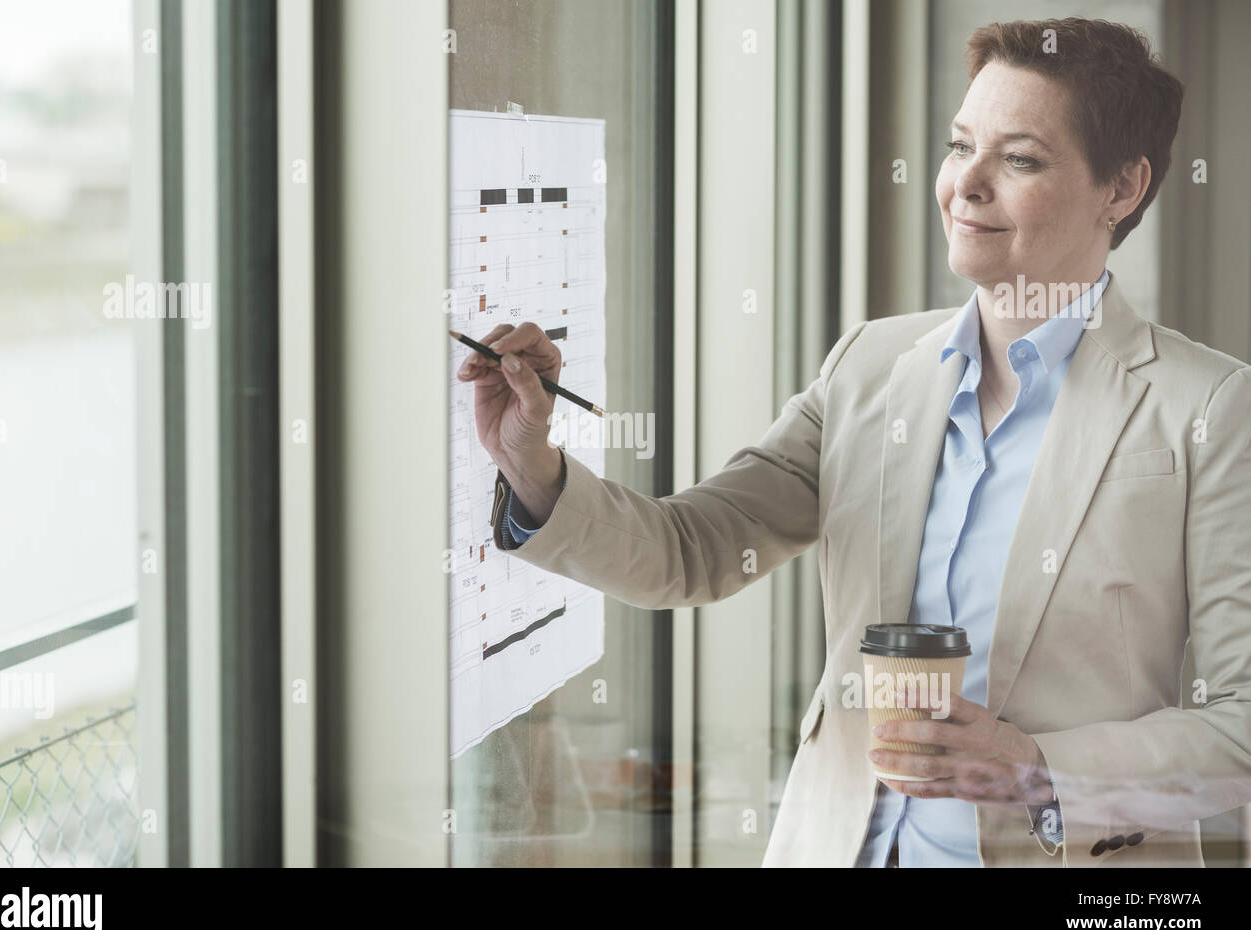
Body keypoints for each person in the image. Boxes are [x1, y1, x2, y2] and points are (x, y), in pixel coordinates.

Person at [456, 17, 1251, 866]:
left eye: (1019, 159)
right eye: (958, 147)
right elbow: (693, 549)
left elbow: (1241, 726)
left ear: (1121, 189)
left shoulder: (1209, 406)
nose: (965, 185)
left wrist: (1037, 769)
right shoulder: (869, 367)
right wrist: (532, 464)